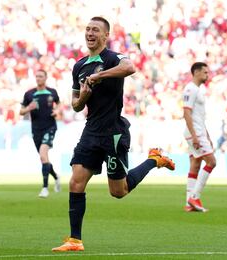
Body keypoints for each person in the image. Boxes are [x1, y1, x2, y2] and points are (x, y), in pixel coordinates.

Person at [52, 17, 175, 252]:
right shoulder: (79, 66)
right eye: (88, 29)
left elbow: (130, 68)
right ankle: (75, 241)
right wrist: (86, 95)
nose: (90, 33)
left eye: (95, 30)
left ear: (105, 36)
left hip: (114, 132)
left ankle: (154, 159)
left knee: (118, 192)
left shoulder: (113, 58)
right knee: (76, 182)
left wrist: (100, 76)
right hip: (91, 131)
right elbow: (76, 105)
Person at [20, 69, 61, 198]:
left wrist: (57, 111)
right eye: (36, 76)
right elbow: (21, 111)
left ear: (45, 78)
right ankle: (56, 177)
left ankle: (45, 188)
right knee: (45, 159)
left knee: (43, 155)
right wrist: (28, 108)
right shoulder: (29, 94)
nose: (38, 78)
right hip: (36, 129)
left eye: (41, 76)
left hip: (50, 127)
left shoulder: (52, 92)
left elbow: (59, 104)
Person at [182, 62, 217, 213]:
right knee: (211, 161)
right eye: (205, 72)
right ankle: (194, 196)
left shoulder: (198, 90)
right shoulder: (191, 89)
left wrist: (207, 135)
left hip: (199, 130)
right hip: (195, 132)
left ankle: (189, 203)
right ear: (196, 72)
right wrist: (195, 135)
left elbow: (199, 116)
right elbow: (186, 113)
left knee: (195, 164)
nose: (207, 75)